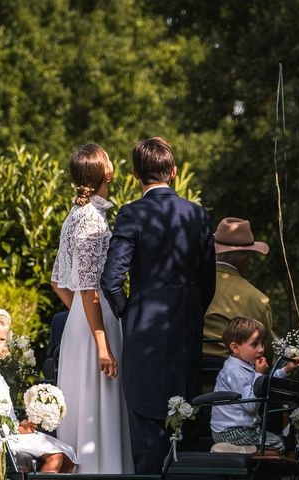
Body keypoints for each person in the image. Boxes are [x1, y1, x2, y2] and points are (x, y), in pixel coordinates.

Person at [101, 136, 216, 474]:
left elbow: (111, 279)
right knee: (187, 427)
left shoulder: (132, 214)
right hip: (186, 332)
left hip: (143, 333)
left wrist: (130, 311)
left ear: (136, 174)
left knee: (148, 432)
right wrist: (192, 311)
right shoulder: (196, 215)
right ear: (175, 172)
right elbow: (208, 281)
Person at [51, 144, 133, 474]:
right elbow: (87, 286)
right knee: (98, 404)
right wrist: (100, 341)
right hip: (96, 327)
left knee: (86, 403)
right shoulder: (90, 221)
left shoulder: (75, 215)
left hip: (80, 325)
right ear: (105, 173)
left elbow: (58, 281)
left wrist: (78, 320)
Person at [0, 305, 77, 473]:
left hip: (0, 433)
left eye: (2, 340)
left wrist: (20, 425)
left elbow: (2, 408)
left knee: (68, 458)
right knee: (56, 457)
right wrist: (15, 429)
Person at [211, 316, 299, 452]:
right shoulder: (235, 371)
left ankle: (242, 449)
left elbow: (263, 384)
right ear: (235, 348)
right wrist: (259, 374)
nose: (261, 350)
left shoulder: (244, 365)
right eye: (254, 344)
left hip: (239, 430)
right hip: (231, 432)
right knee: (278, 444)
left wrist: (286, 370)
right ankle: (240, 450)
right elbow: (251, 405)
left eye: (262, 344)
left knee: (274, 439)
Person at [204, 217, 277, 365]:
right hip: (235, 386)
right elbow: (266, 355)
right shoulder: (257, 300)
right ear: (245, 257)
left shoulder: (189, 285)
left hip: (186, 379)